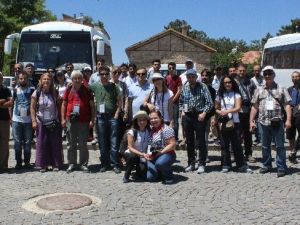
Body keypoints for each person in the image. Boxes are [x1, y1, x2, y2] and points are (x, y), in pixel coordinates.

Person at [250, 66, 292, 177]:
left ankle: (281, 166)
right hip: (263, 122)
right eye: (265, 74)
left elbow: (287, 105)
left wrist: (288, 120)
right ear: (263, 75)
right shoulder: (258, 89)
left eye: (270, 73)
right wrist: (251, 121)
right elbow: (254, 107)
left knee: (280, 146)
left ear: (274, 74)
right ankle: (266, 165)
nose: (267, 76)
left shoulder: (282, 88)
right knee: (264, 146)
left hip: (277, 122)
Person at [215, 76, 252, 173]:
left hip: (235, 122)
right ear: (223, 84)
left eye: (229, 82)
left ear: (232, 83)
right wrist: (220, 112)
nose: (227, 84)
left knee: (237, 145)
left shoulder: (236, 94)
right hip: (223, 123)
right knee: (224, 145)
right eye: (225, 82)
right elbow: (216, 108)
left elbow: (238, 108)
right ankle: (226, 164)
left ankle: (241, 165)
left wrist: (227, 111)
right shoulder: (219, 95)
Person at [179, 69, 213, 173]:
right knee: (189, 141)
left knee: (201, 141)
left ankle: (202, 163)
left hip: (199, 116)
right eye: (189, 77)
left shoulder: (203, 86)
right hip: (188, 116)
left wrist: (204, 113)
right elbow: (181, 102)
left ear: (196, 77)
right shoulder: (185, 87)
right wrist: (183, 112)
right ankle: (191, 163)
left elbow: (209, 103)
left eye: (193, 76)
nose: (191, 78)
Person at [89, 66, 122, 173]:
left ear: (109, 75)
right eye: (102, 74)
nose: (104, 76)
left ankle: (114, 164)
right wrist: (71, 84)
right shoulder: (95, 86)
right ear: (99, 75)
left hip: (112, 117)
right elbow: (84, 88)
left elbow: (120, 100)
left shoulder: (114, 86)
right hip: (101, 117)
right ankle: (104, 164)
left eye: (106, 74)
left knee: (113, 142)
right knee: (102, 142)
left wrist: (117, 114)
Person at [61, 70, 95, 173]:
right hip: (70, 120)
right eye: (75, 78)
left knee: (83, 144)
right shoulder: (68, 89)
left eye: (79, 78)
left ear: (82, 79)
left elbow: (92, 106)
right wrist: (62, 119)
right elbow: (64, 104)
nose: (77, 80)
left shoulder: (87, 90)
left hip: (84, 121)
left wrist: (92, 120)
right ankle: (72, 163)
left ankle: (83, 164)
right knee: (71, 143)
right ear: (72, 79)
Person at [30, 73, 63, 172]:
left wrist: (61, 120)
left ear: (51, 81)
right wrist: (33, 121)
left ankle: (55, 164)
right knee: (42, 144)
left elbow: (59, 106)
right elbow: (32, 107)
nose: (46, 81)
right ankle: (42, 164)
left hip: (53, 121)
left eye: (48, 79)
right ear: (40, 81)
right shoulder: (37, 93)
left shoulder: (55, 92)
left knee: (55, 143)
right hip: (41, 121)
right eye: (44, 79)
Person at [12, 73, 35, 169]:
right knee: (17, 142)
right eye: (21, 78)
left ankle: (26, 162)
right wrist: (10, 118)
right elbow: (12, 103)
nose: (23, 80)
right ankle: (18, 162)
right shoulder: (14, 90)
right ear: (18, 79)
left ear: (27, 79)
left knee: (27, 142)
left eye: (24, 78)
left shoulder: (32, 90)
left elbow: (35, 105)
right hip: (16, 119)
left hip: (28, 120)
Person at [146, 110, 176, 184]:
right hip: (154, 156)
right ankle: (160, 172)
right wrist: (149, 154)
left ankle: (168, 176)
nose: (153, 120)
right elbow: (151, 144)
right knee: (150, 178)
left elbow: (172, 144)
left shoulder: (167, 129)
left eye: (155, 118)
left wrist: (162, 152)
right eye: (151, 119)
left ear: (161, 118)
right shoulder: (151, 130)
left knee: (160, 163)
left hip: (167, 154)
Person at [235, 64, 256, 163]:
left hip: (247, 111)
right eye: (240, 70)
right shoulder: (233, 82)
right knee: (237, 134)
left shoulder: (250, 82)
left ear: (246, 71)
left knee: (248, 134)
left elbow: (255, 95)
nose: (241, 72)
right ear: (236, 71)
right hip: (237, 111)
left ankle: (248, 154)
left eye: (243, 70)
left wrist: (251, 103)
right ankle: (237, 154)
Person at [123, 110, 151, 183]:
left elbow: (150, 144)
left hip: (143, 155)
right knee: (132, 157)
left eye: (144, 120)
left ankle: (138, 170)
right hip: (132, 153)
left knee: (142, 172)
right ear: (137, 121)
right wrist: (142, 154)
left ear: (147, 121)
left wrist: (148, 153)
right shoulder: (132, 132)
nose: (142, 122)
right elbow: (130, 147)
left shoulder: (149, 131)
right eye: (140, 120)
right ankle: (127, 174)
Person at [110, 67, 129, 147]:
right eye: (115, 72)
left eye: (119, 72)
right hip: (110, 111)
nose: (117, 74)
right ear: (111, 73)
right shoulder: (107, 83)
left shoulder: (123, 84)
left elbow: (126, 98)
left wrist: (125, 112)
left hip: (121, 112)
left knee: (120, 132)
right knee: (111, 133)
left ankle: (120, 153)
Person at [166, 62, 182, 142]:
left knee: (175, 120)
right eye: (170, 68)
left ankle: (175, 138)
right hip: (167, 102)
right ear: (168, 69)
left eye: (173, 68)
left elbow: (179, 90)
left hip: (175, 103)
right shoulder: (166, 78)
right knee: (167, 119)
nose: (171, 69)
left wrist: (172, 100)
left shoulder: (178, 78)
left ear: (175, 69)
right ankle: (167, 137)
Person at [0, 72, 13, 173]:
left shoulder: (6, 90)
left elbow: (10, 102)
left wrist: (2, 104)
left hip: (4, 119)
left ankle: (4, 165)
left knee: (4, 143)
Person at [287, 71, 300, 164]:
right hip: (290, 114)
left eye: (296, 76)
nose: (295, 78)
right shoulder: (289, 89)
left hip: (299, 114)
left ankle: (294, 150)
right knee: (290, 134)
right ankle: (292, 153)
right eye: (293, 77)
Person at [250, 65, 265, 145]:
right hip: (255, 103)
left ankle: (263, 138)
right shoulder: (251, 80)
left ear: (260, 70)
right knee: (255, 120)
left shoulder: (264, 79)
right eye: (255, 70)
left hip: (264, 103)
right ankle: (257, 137)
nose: (257, 72)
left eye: (258, 70)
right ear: (253, 71)